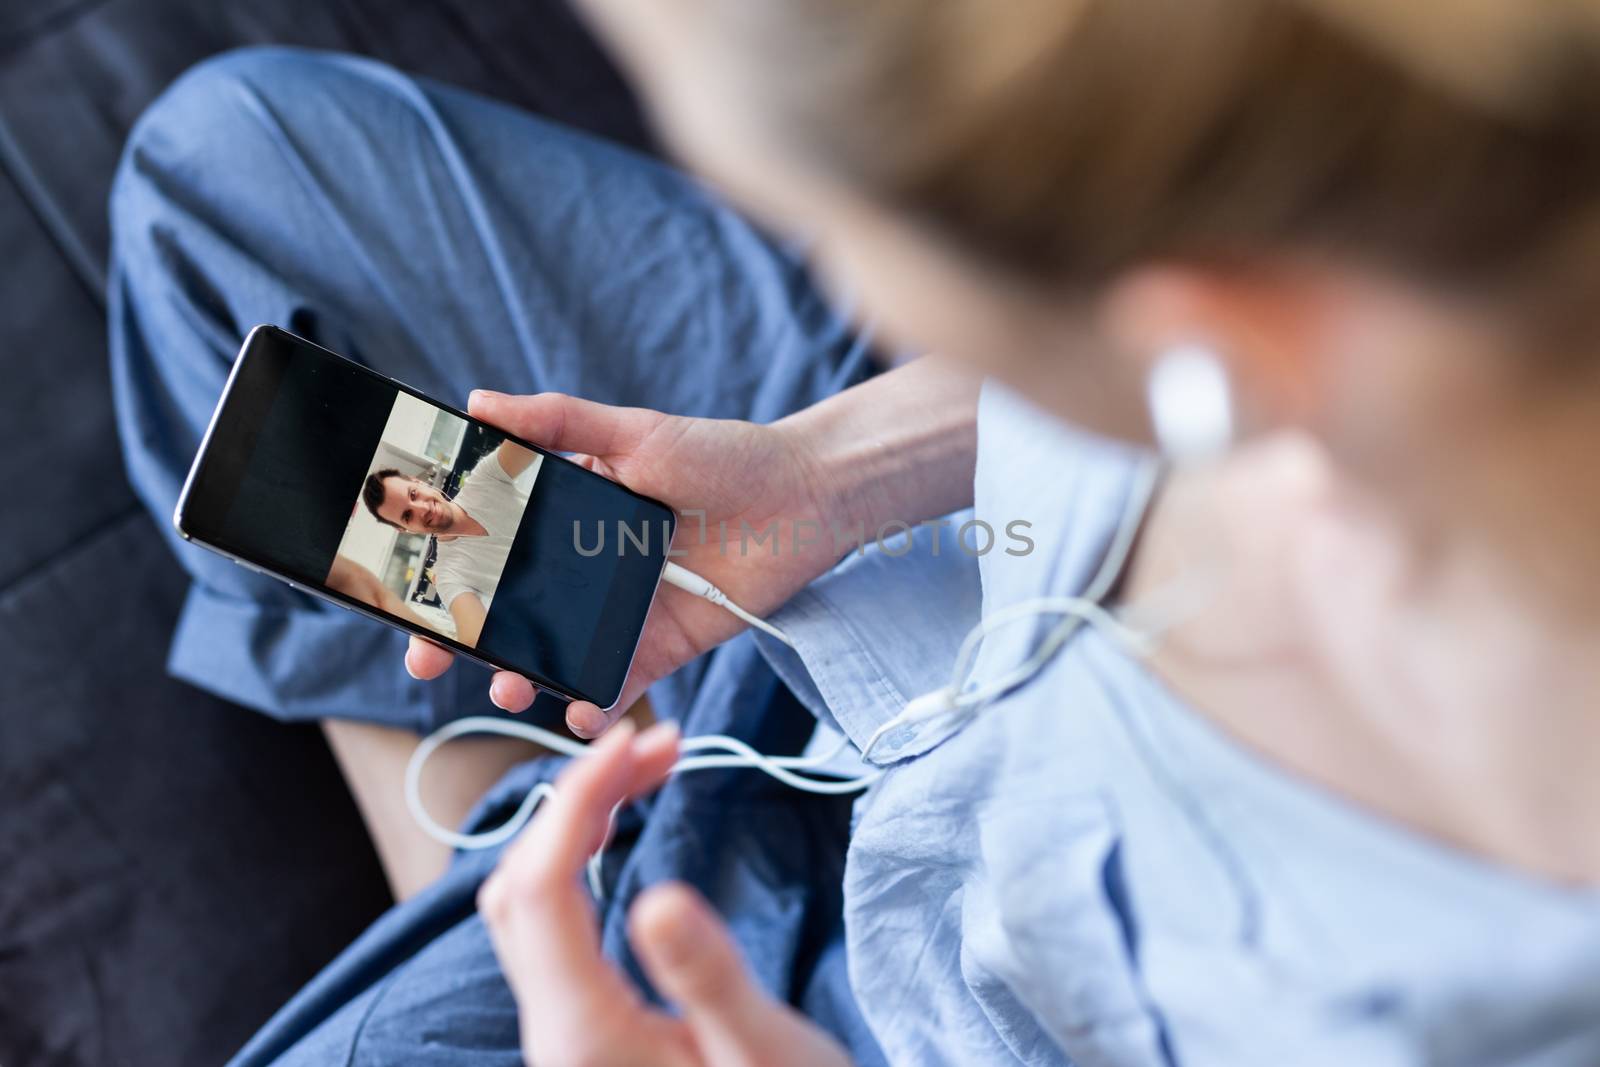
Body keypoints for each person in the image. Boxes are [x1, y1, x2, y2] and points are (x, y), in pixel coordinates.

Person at [106, 0, 1600, 1063]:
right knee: (225, 166)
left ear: (1204, 327)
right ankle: (510, 878)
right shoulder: (1448, 215)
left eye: (834, 235)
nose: (848, 286)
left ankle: (501, 888)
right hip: (907, 591)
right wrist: (827, 470)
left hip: (863, 991)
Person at [361, 440, 541, 645]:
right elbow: (475, 638)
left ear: (419, 482)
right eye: (407, 515)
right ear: (404, 530)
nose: (422, 509)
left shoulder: (485, 479)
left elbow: (529, 438)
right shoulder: (448, 576)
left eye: (413, 494)